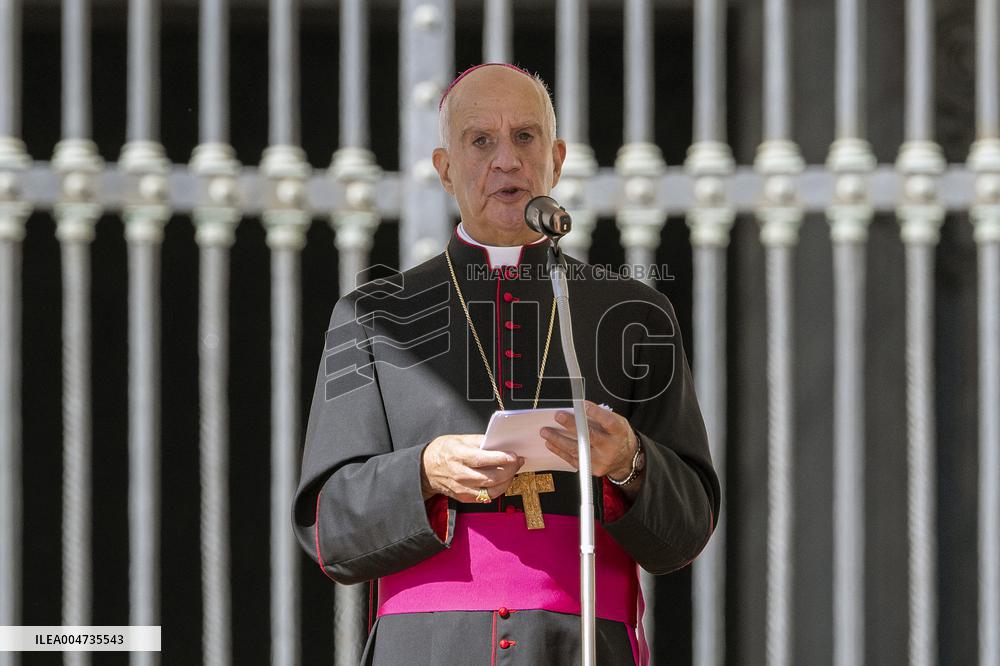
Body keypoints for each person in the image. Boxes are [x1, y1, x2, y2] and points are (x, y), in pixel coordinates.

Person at [292, 63, 720, 664]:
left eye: (525, 137)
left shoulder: (633, 313)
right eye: (480, 140)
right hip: (429, 647)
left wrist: (630, 462)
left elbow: (690, 525)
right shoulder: (372, 316)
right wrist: (424, 472)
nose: (507, 160)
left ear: (557, 158)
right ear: (445, 169)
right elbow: (325, 524)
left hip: (583, 643)